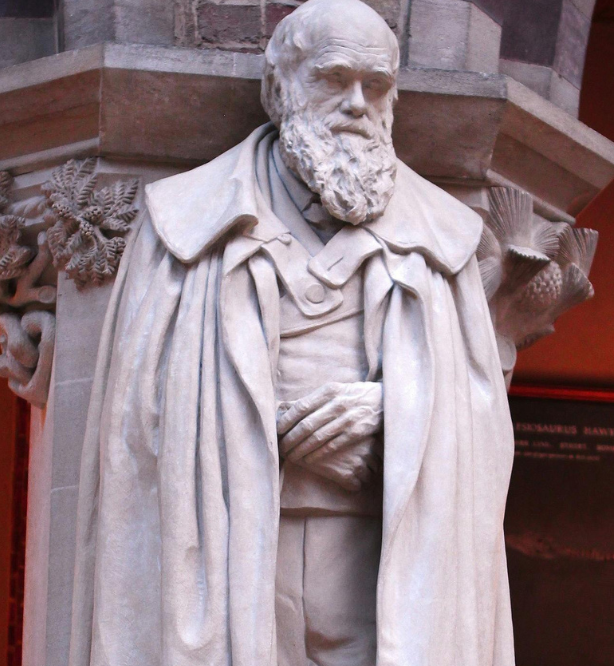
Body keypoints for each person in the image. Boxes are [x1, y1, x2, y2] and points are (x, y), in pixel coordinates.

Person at [68, 0, 515, 664]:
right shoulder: (186, 225)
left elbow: (483, 431)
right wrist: (275, 432)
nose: (357, 104)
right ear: (278, 90)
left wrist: (395, 414)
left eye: (376, 86)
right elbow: (138, 424)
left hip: (377, 567)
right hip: (234, 558)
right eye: (334, 78)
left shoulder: (441, 241)